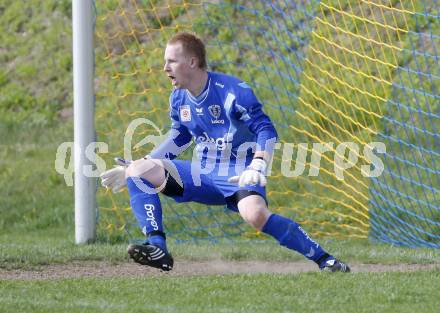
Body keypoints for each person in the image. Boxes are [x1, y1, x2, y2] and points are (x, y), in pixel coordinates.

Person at [100, 32, 350, 273]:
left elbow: (266, 129)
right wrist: (140, 164)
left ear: (192, 62)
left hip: (239, 172)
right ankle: (157, 248)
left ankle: (325, 260)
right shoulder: (178, 98)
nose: (165, 67)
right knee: (138, 170)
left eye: (171, 61)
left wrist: (258, 164)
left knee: (255, 215)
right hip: (202, 174)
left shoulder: (233, 91)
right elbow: (180, 136)